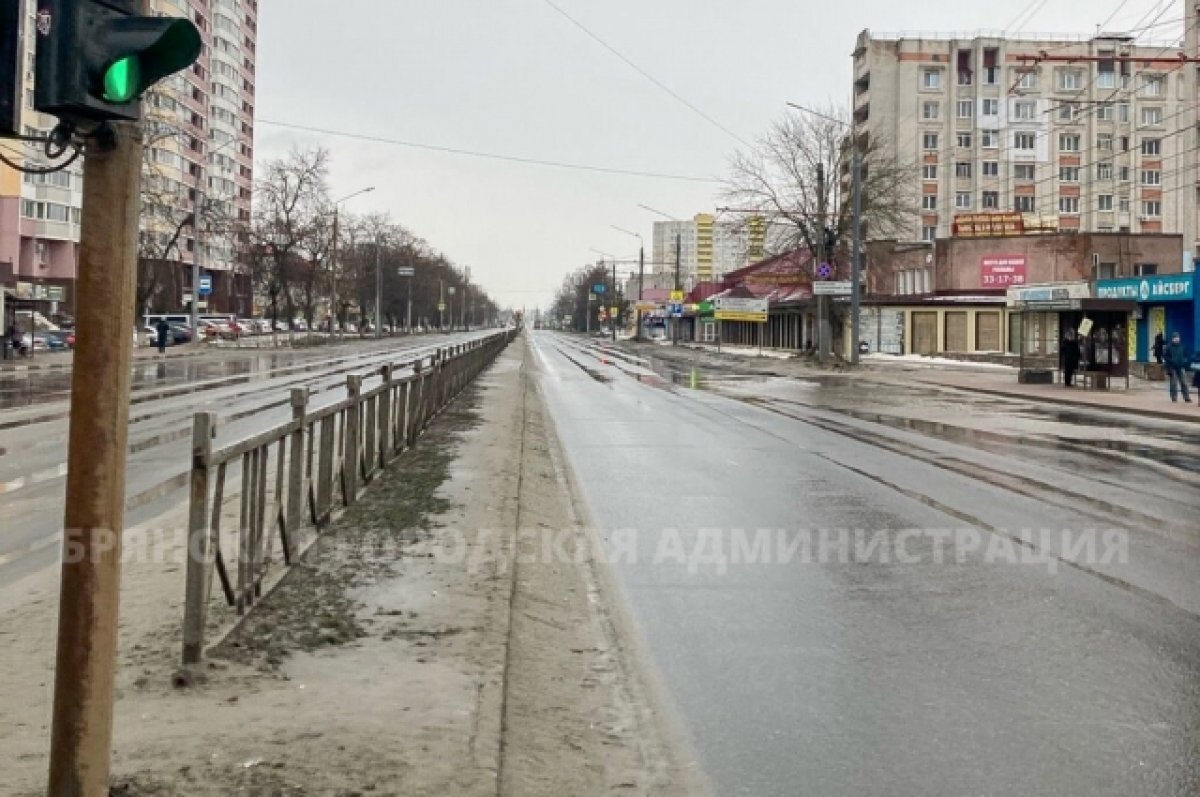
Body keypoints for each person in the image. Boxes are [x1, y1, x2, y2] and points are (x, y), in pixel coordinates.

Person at [1163, 331, 1192, 403]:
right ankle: (1174, 397)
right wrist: (1171, 362)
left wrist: (1184, 361)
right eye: (1175, 338)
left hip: (1181, 367)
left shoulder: (1182, 346)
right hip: (1172, 367)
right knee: (1174, 383)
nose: (1176, 339)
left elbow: (1186, 355)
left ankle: (1186, 397)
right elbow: (1165, 357)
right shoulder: (1168, 347)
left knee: (1184, 382)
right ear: (1172, 339)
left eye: (1177, 338)